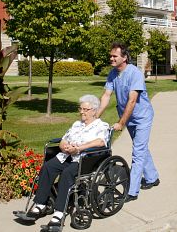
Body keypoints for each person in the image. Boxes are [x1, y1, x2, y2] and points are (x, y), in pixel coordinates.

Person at [25, 94, 110, 227]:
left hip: (84, 160)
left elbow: (100, 142)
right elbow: (64, 138)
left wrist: (80, 148)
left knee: (67, 174)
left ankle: (59, 213)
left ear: (94, 111)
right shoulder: (77, 124)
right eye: (80, 109)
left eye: (85, 110)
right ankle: (40, 204)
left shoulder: (101, 126)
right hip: (66, 155)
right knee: (48, 167)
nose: (81, 112)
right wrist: (63, 145)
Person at [97, 42, 160, 202]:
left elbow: (132, 101)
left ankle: (132, 191)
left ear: (124, 58)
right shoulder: (112, 74)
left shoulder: (135, 73)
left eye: (114, 56)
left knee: (138, 151)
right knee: (141, 148)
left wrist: (121, 123)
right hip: (129, 117)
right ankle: (153, 178)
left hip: (142, 117)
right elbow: (106, 96)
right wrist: (95, 117)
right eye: (110, 55)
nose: (111, 58)